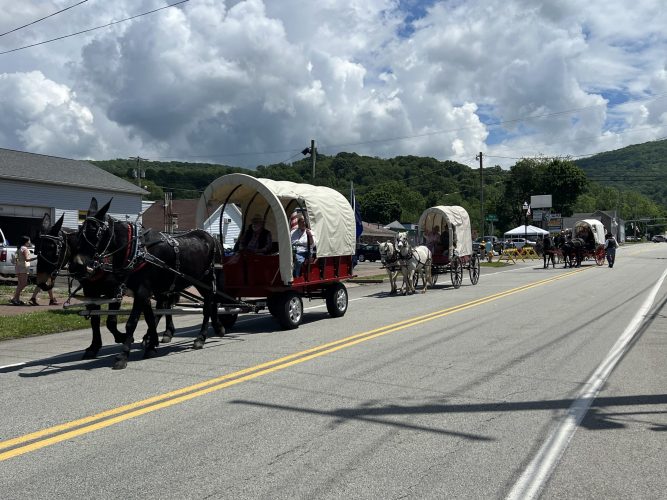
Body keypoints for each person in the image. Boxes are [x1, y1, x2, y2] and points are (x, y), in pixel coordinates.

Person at [10, 236, 36, 305]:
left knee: (20, 284)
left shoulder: (18, 248)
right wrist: (36, 258)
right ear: (26, 242)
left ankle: (17, 299)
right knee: (24, 283)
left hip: (18, 267)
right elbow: (27, 259)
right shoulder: (25, 249)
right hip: (23, 267)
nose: (30, 242)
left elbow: (16, 259)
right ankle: (14, 298)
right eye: (29, 240)